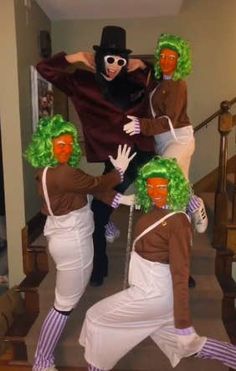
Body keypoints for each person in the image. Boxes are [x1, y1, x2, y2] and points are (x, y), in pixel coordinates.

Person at [79, 156, 236, 371]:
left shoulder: (178, 222)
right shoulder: (154, 206)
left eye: (161, 187)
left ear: (173, 186)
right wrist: (120, 185)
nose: (155, 193)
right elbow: (96, 192)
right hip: (152, 292)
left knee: (96, 320)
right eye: (150, 187)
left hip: (153, 294)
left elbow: (180, 275)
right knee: (190, 345)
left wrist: (183, 323)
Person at [36, 25, 154, 286]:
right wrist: (75, 57)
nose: (114, 66)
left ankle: (178, 266)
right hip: (116, 161)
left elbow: (160, 82)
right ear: (99, 59)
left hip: (144, 153)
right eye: (109, 60)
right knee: (98, 214)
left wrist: (142, 65)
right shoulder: (82, 82)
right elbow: (44, 69)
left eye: (120, 61)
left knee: (165, 205)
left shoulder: (135, 81)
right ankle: (99, 268)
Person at [24, 114, 135, 371]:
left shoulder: (46, 170)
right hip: (73, 243)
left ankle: (107, 226)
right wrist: (118, 171)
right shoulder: (64, 174)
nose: (64, 149)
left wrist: (120, 201)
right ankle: (42, 361)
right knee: (63, 307)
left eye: (67, 144)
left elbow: (83, 193)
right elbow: (96, 184)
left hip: (64, 236)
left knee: (66, 299)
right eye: (58, 145)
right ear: (47, 145)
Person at [123, 33, 208, 235]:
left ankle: (180, 221)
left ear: (180, 60)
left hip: (179, 138)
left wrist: (141, 126)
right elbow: (151, 76)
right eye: (163, 56)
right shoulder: (159, 82)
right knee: (177, 183)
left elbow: (168, 119)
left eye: (172, 57)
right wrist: (142, 65)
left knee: (167, 178)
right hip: (162, 141)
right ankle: (193, 207)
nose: (166, 61)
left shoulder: (178, 84)